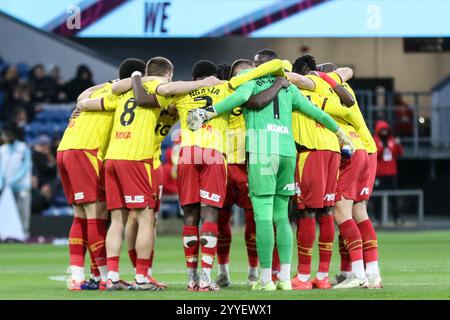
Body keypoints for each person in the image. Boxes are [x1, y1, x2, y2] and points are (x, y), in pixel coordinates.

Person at [188, 49, 352, 291]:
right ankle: (284, 278)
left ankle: (265, 279)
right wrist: (340, 135)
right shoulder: (288, 87)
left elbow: (235, 100)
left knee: (263, 217)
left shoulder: (250, 84)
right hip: (287, 150)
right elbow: (316, 113)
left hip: (263, 149)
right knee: (282, 217)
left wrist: (207, 114)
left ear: (260, 65)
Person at [79, 56, 222, 291]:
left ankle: (111, 276)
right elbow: (170, 89)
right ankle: (142, 276)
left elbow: (86, 101)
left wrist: (103, 89)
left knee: (117, 219)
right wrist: (203, 83)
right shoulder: (159, 88)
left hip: (113, 157)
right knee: (146, 218)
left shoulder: (123, 91)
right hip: (139, 158)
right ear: (167, 74)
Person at [57, 58, 143, 290]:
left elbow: (81, 98)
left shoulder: (104, 87)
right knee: (97, 213)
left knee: (80, 215)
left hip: (65, 148)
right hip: (86, 151)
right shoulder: (122, 96)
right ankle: (104, 277)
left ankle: (81, 277)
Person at [0, 123, 32, 238]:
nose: (6, 137)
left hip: (22, 186)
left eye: (8, 135)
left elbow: (26, 166)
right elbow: (1, 168)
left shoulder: (23, 148)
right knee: (6, 211)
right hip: (6, 187)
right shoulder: (2, 150)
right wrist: (1, 182)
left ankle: (24, 234)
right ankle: (6, 234)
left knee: (22, 211)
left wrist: (14, 180)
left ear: (13, 135)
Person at [374, 119, 404, 224]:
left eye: (386, 130)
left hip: (391, 173)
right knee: (377, 198)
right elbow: (374, 155)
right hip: (379, 174)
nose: (384, 132)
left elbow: (399, 153)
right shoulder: (375, 140)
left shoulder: (392, 140)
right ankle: (378, 219)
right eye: (382, 130)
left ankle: (397, 218)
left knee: (394, 197)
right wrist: (382, 147)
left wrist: (398, 145)